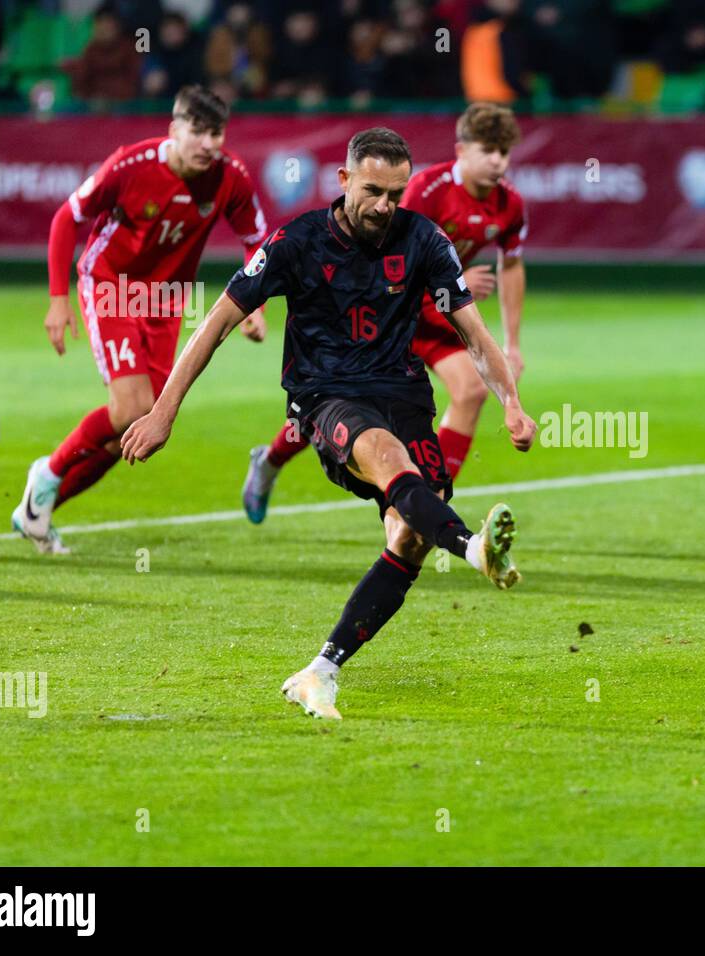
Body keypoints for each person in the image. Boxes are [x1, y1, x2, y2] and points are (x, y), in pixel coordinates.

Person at [119, 128, 537, 721]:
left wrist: (511, 402)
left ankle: (321, 670)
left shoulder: (423, 240)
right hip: (328, 397)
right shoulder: (297, 241)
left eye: (395, 193)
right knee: (388, 459)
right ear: (343, 181)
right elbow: (215, 322)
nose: (384, 206)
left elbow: (473, 331)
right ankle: (474, 551)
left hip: (404, 394)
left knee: (410, 538)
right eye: (372, 191)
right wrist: (164, 411)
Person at [241, 102, 528, 522]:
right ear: (462, 150)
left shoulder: (510, 204)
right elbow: (389, 249)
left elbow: (512, 266)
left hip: (437, 314)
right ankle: (269, 461)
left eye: (504, 152)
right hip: (389, 312)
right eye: (489, 150)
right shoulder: (425, 190)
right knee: (332, 406)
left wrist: (513, 342)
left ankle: (428, 504)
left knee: (471, 390)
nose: (498, 161)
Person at [13, 85, 268, 554]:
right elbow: (65, 220)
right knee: (132, 410)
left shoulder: (231, 177)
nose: (209, 143)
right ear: (175, 130)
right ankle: (46, 473)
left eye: (217, 133)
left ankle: (38, 509)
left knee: (133, 429)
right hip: (111, 284)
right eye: (199, 131)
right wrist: (57, 298)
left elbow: (257, 240)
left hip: (169, 299)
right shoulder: (130, 165)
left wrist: (259, 305)